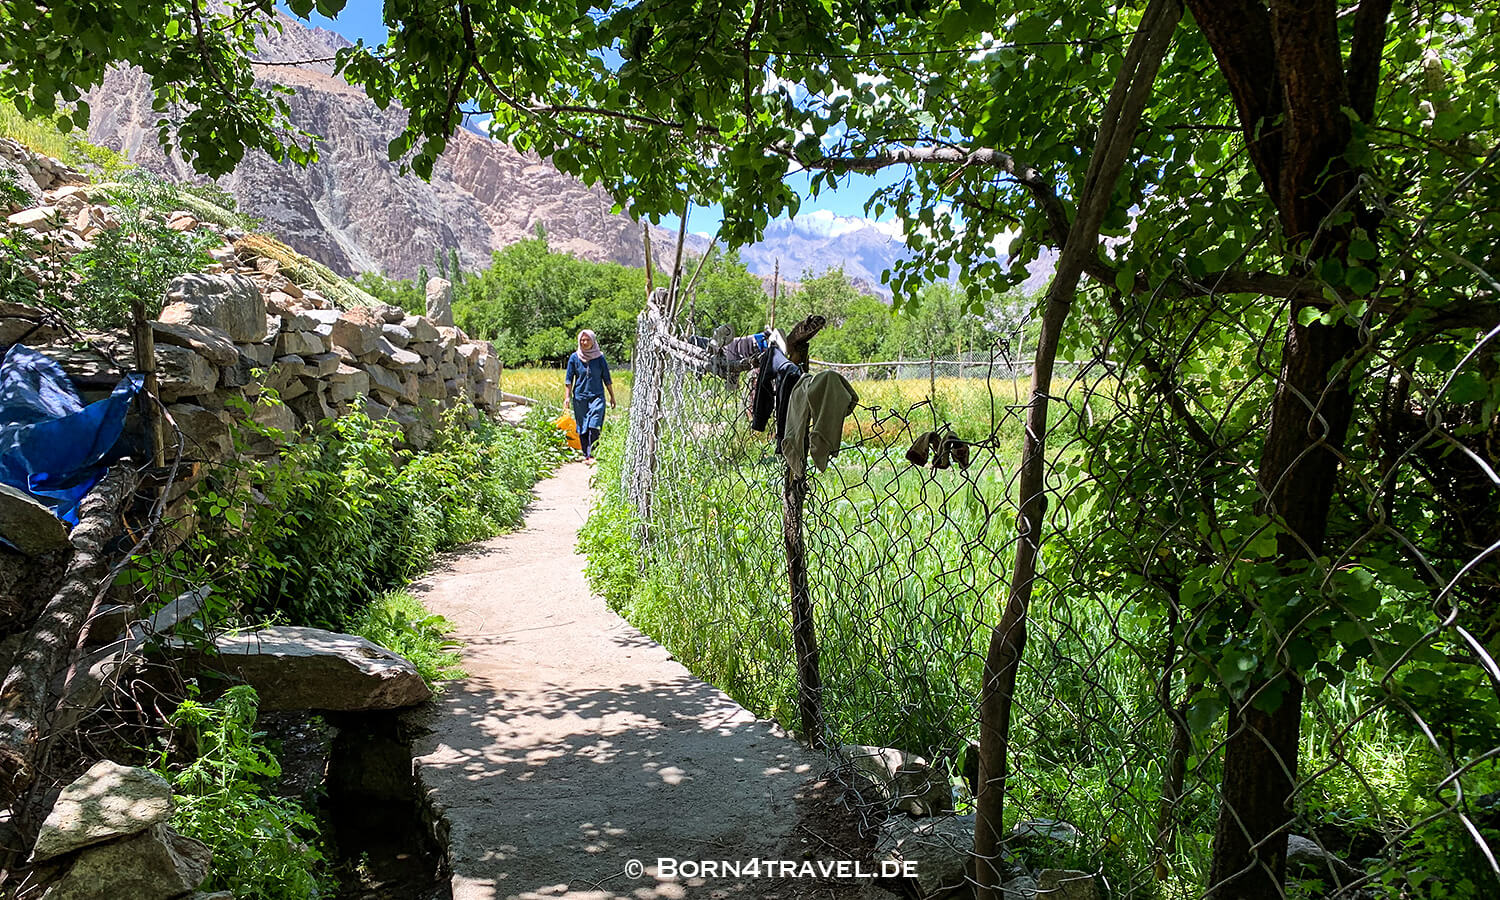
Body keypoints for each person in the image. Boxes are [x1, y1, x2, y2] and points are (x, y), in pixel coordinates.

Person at [565, 329, 616, 463]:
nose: (585, 342)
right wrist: (567, 397)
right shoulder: (574, 358)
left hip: (597, 396)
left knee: (594, 424)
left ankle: (592, 453)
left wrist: (612, 396)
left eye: (587, 340)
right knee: (582, 426)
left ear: (593, 341)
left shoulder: (600, 358)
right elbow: (569, 379)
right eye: (582, 340)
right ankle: (586, 454)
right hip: (580, 397)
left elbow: (607, 378)